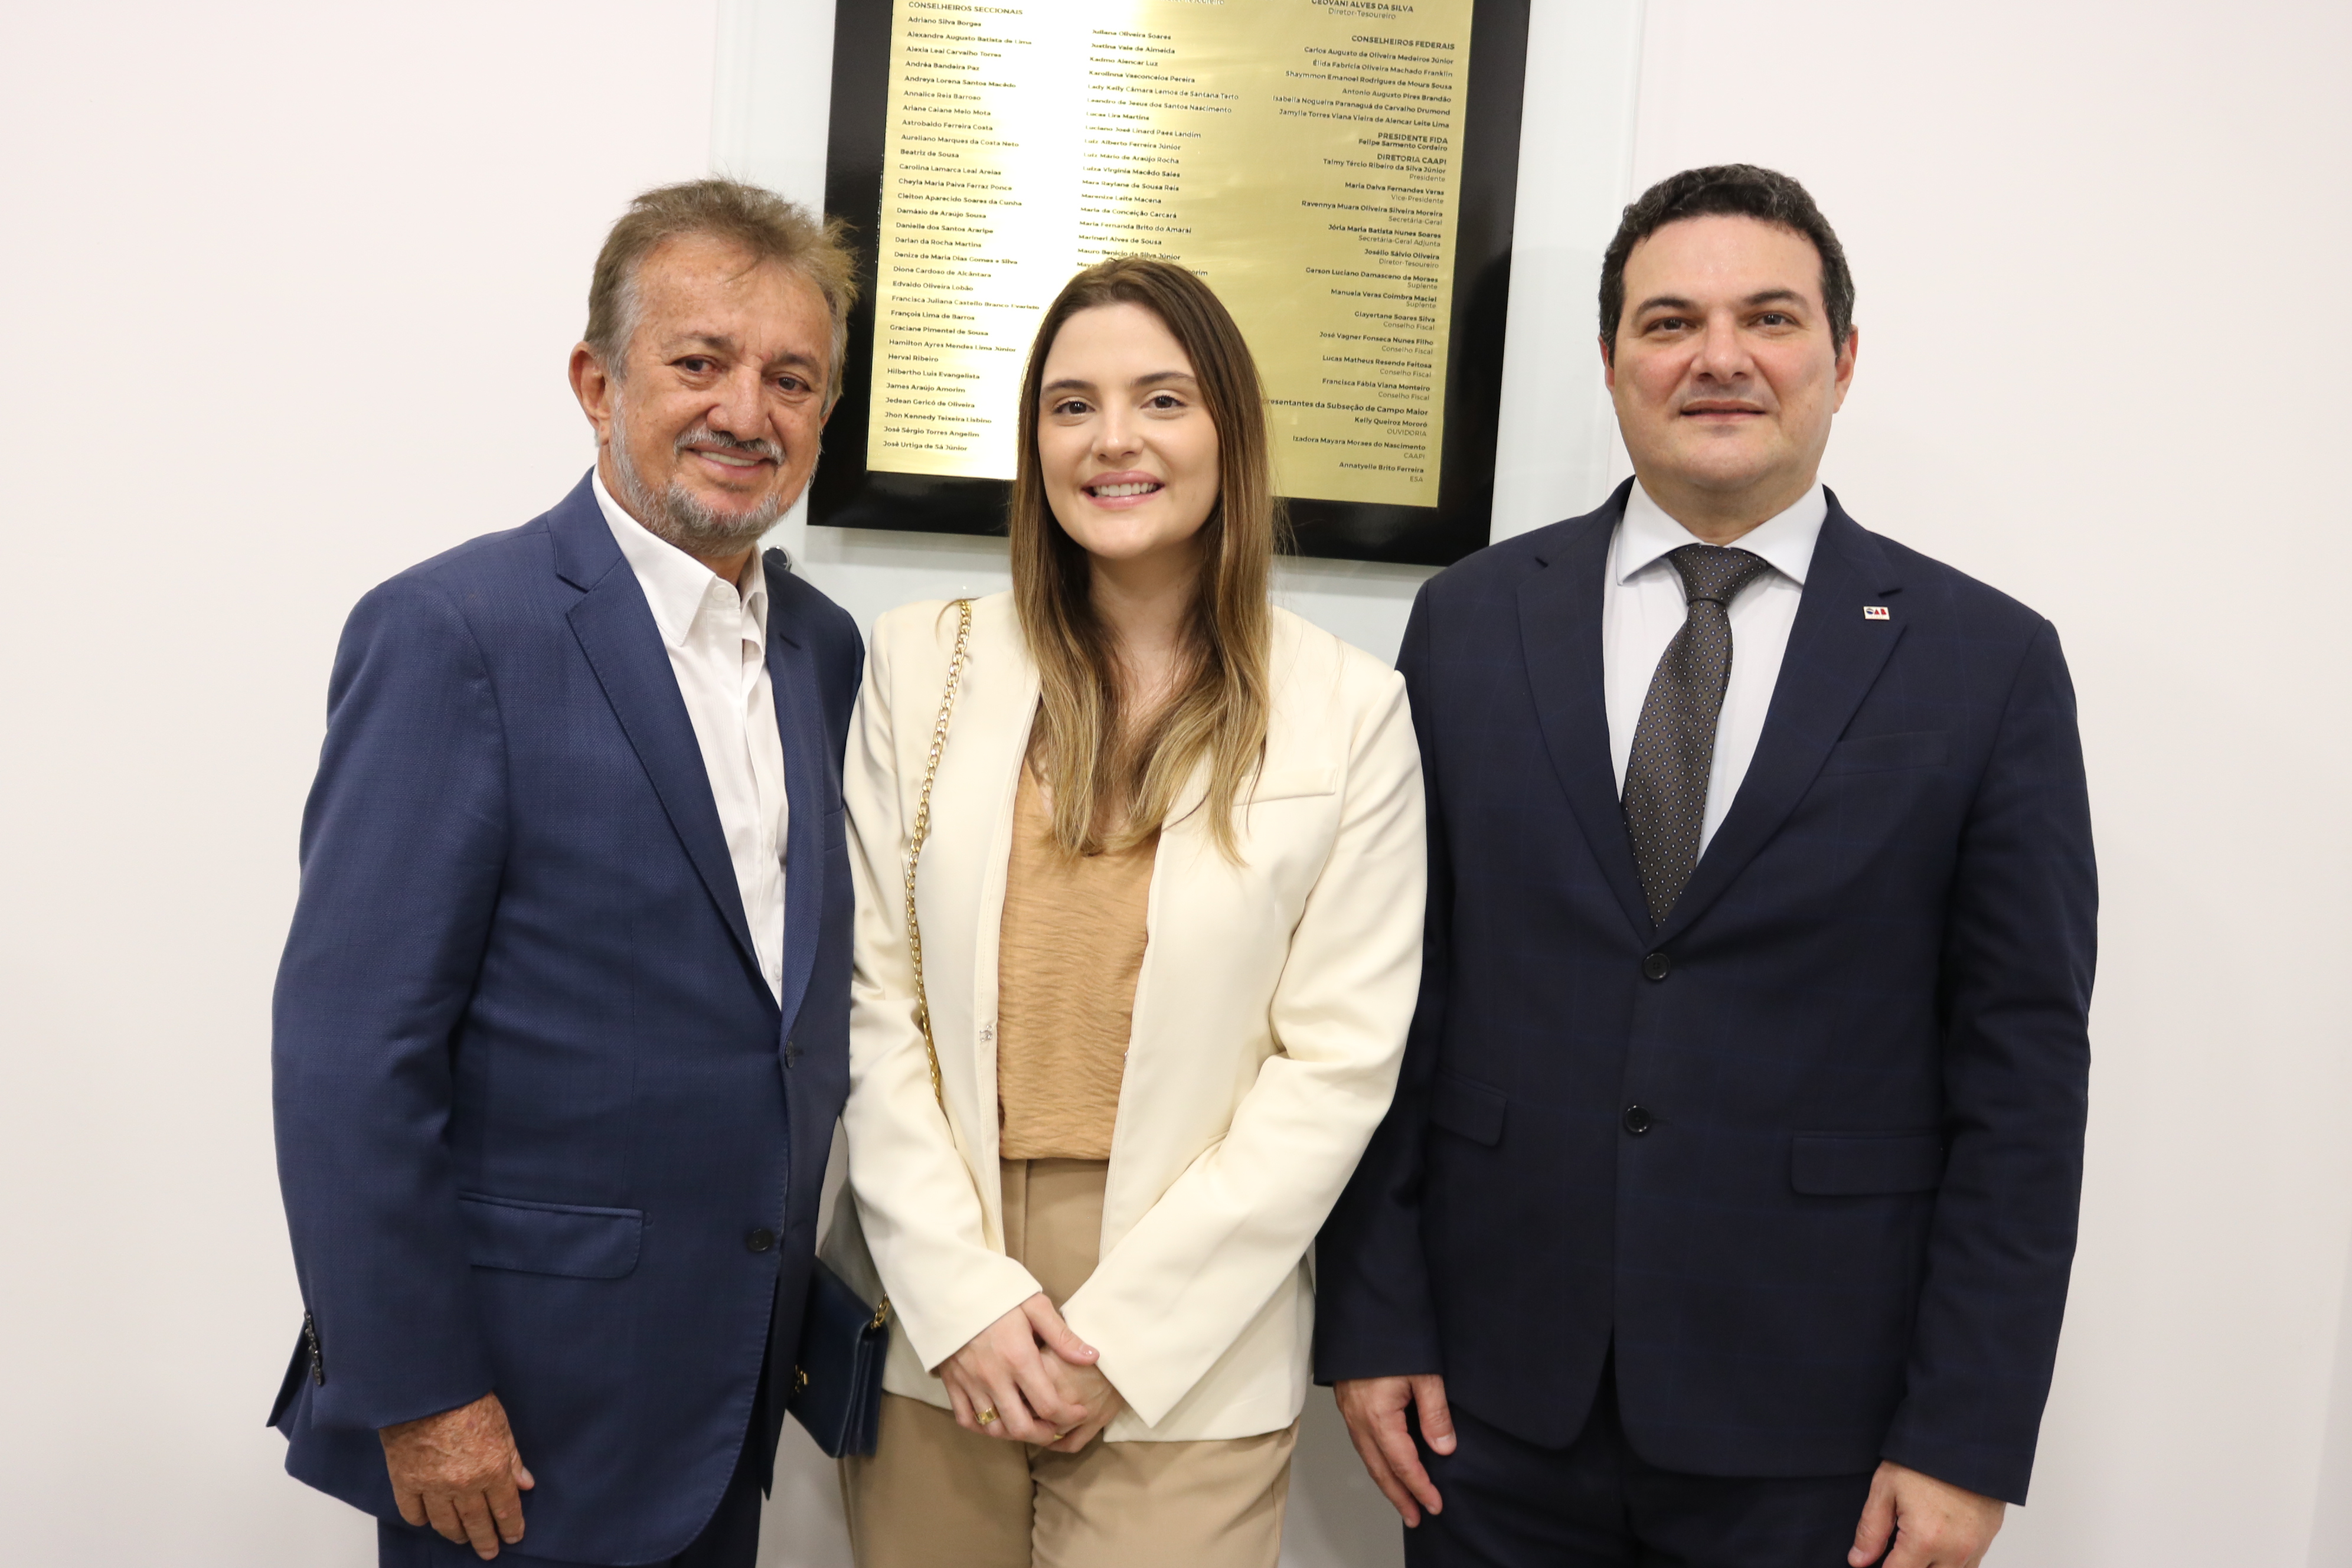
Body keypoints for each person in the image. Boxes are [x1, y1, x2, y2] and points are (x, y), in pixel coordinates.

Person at [1316, 165, 2097, 1568]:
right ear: (1612, 359)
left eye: (1770, 319)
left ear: (1841, 359)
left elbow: (2023, 1078)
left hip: (1823, 1427)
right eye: (1670, 321)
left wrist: (1965, 1431)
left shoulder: (1987, 663)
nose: (1719, 356)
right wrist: (1373, 1316)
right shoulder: (1470, 622)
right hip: (1489, 1405)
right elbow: (1391, 1000)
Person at [269, 179, 865, 1567]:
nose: (747, 412)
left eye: (791, 379)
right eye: (699, 362)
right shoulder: (456, 631)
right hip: (509, 1415)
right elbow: (351, 1054)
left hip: (723, 1395)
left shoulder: (823, 652)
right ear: (598, 384)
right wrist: (418, 1390)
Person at [823, 256, 1426, 1567]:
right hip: (939, 1279)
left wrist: (1131, 1335)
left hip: (1195, 1306)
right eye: (1070, 405)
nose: (1112, 440)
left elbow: (1338, 1062)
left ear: (1230, 432)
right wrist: (962, 1294)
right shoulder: (922, 663)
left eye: (1162, 398)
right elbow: (871, 1000)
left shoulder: (1349, 708)